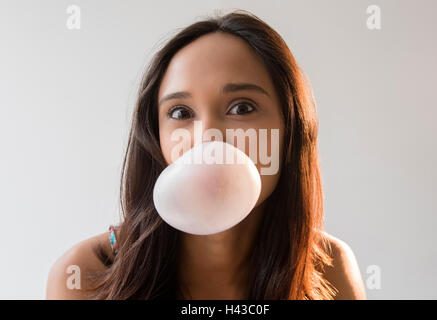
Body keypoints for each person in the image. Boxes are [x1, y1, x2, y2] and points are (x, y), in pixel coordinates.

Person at [46, 10, 366, 300]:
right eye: (181, 112)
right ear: (156, 138)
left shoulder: (329, 270)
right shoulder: (84, 275)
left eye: (242, 107)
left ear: (289, 129)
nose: (208, 138)